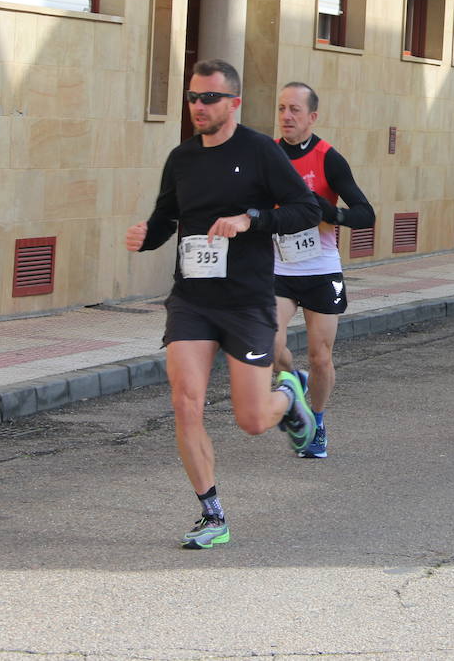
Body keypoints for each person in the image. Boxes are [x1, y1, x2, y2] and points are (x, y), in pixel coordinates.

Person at [125, 59, 323, 549]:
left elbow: (306, 210)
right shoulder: (182, 158)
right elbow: (167, 217)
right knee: (184, 402)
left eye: (209, 98)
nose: (198, 106)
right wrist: (146, 235)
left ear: (234, 102)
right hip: (193, 298)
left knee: (253, 421)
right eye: (193, 97)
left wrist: (250, 219)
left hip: (246, 301)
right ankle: (212, 515)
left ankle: (290, 394)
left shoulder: (259, 152)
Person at [268, 82, 375, 459]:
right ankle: (293, 384)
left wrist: (330, 212)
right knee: (269, 342)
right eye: (282, 108)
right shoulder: (267, 156)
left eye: (295, 109)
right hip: (279, 267)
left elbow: (366, 213)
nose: (287, 116)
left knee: (320, 356)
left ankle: (318, 421)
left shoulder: (329, 158)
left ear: (312, 116)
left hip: (320, 269)